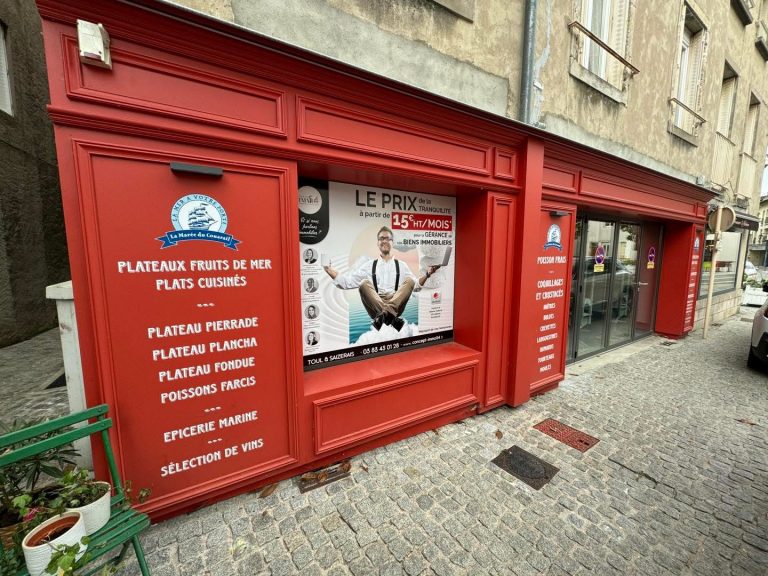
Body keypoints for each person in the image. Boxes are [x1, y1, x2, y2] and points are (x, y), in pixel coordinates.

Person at [323, 226, 439, 332]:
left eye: (387, 238)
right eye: (381, 238)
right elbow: (346, 283)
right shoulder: (368, 266)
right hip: (376, 305)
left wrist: (428, 274)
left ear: (392, 242)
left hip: (396, 304)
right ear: (378, 243)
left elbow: (416, 287)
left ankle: (385, 315)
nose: (384, 241)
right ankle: (391, 318)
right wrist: (328, 270)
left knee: (410, 281)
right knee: (363, 284)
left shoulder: (402, 265)